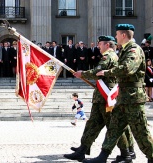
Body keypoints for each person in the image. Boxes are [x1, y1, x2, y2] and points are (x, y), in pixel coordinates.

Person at [82, 24, 153, 163]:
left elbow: (128, 69)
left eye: (117, 34)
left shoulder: (134, 50)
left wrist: (107, 72)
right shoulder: (125, 50)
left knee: (140, 131)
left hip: (133, 98)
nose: (115, 37)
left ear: (123, 35)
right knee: (114, 127)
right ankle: (103, 156)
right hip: (124, 97)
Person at [64, 35, 135, 163]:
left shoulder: (108, 56)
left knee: (113, 127)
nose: (98, 46)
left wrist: (82, 73)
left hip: (106, 98)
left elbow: (98, 71)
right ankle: (82, 150)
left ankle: (126, 154)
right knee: (92, 125)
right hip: (100, 97)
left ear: (107, 45)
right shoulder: (111, 56)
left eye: (100, 44)